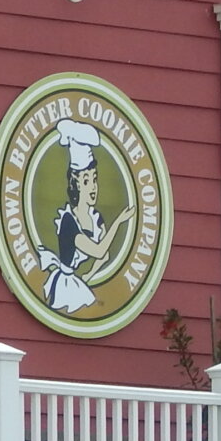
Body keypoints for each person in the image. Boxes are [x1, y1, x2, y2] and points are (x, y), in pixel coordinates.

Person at [37, 119, 134, 315]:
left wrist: (88, 277)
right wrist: (119, 221)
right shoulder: (68, 222)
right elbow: (98, 251)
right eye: (86, 180)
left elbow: (105, 255)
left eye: (95, 179)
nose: (93, 187)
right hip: (65, 285)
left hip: (78, 283)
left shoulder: (95, 218)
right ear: (76, 183)